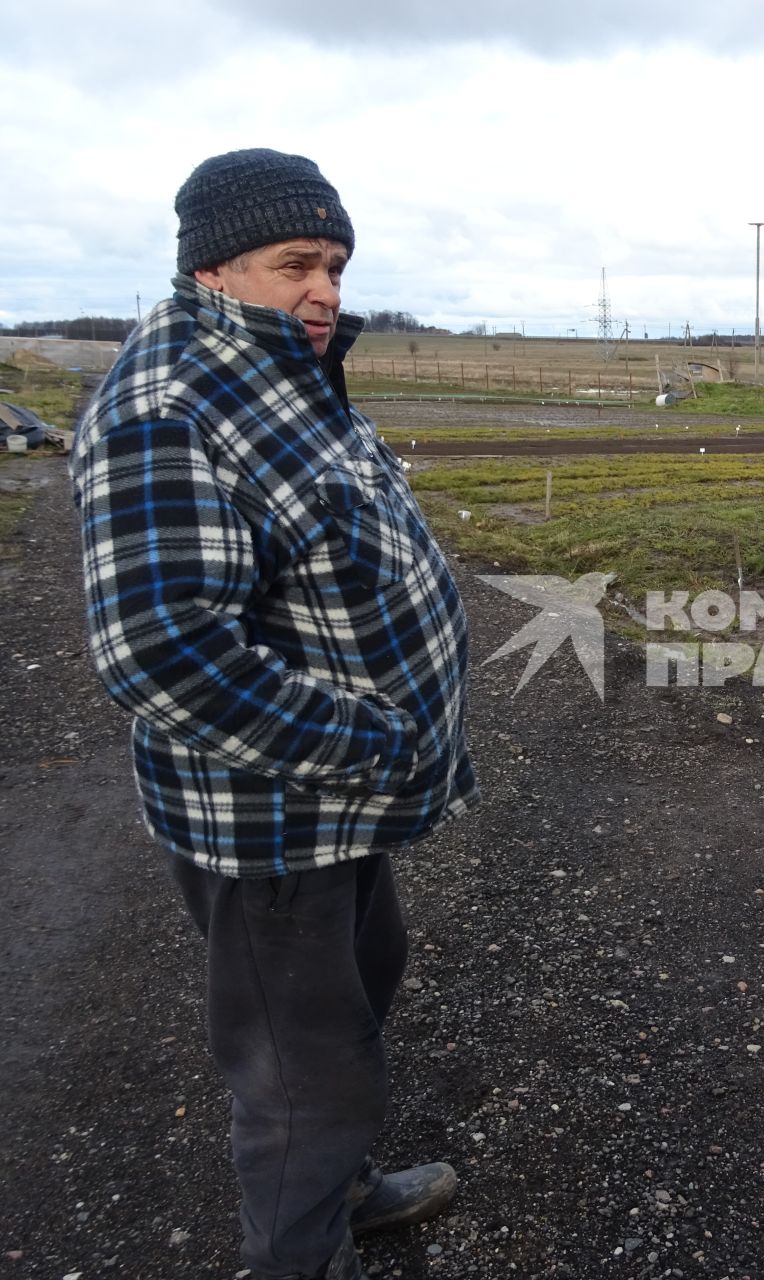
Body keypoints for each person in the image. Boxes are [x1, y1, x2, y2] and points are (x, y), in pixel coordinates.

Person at [70, 149, 480, 1280]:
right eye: (296, 262)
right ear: (213, 267)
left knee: (367, 973)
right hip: (275, 816)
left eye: (337, 263)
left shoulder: (276, 369)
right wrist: (375, 742)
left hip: (340, 804)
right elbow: (163, 652)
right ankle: (302, 1252)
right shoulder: (169, 405)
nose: (325, 289)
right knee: (302, 1071)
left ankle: (341, 1189)